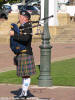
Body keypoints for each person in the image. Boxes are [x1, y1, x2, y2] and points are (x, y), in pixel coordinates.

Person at [10, 10, 36, 98]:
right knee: (24, 75)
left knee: (26, 74)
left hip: (26, 53)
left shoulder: (28, 26)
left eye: (20, 17)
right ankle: (23, 93)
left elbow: (26, 38)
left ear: (25, 18)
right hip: (21, 53)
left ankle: (24, 93)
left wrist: (14, 35)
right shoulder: (22, 26)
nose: (19, 18)